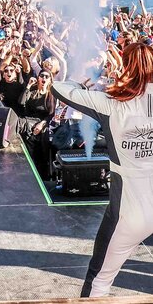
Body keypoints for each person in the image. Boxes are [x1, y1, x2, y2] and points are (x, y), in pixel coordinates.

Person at [51, 43, 153, 298]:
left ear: (126, 67)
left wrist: (80, 79)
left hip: (130, 214)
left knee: (100, 279)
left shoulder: (111, 103)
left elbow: (59, 89)